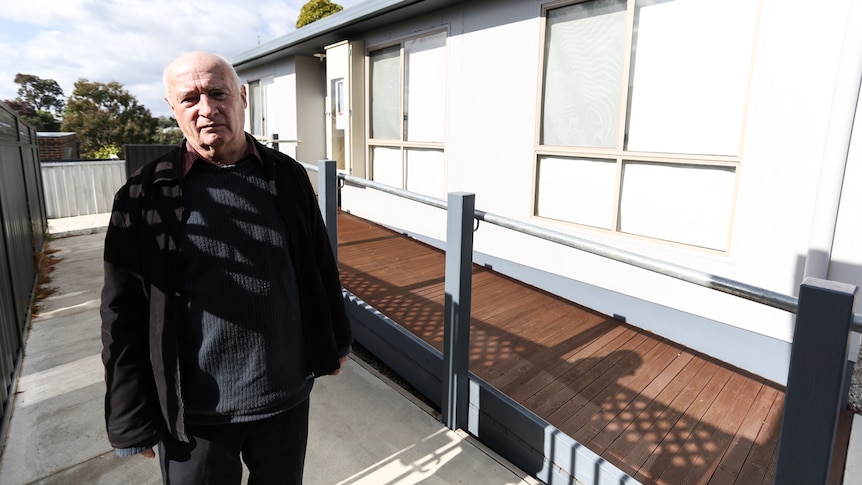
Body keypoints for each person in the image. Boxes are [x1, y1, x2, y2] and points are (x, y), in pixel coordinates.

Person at [100, 51, 352, 484]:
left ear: (242, 96)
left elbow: (318, 265)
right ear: (173, 109)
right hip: (194, 416)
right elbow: (121, 312)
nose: (206, 108)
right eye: (190, 98)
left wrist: (334, 342)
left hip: (284, 399)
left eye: (217, 93)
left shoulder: (286, 176)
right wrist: (130, 418)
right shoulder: (144, 196)